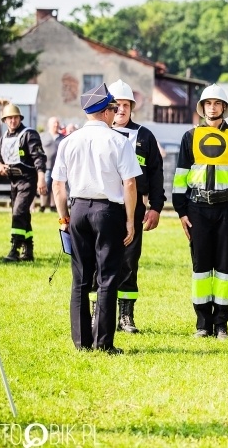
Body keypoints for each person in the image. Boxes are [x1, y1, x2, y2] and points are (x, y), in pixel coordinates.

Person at [52, 84, 141, 354]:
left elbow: (58, 185)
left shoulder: (68, 141)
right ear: (104, 112)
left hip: (78, 209)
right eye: (114, 108)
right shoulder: (118, 141)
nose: (116, 113)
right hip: (107, 211)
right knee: (107, 277)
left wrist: (63, 218)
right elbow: (129, 185)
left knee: (79, 278)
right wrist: (129, 220)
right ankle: (103, 342)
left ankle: (81, 342)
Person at [172, 84, 228, 340]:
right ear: (202, 107)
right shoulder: (190, 136)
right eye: (208, 104)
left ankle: (221, 323)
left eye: (217, 104)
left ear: (224, 108)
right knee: (200, 266)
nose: (212, 107)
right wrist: (181, 211)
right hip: (197, 208)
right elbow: (180, 176)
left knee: (225, 266)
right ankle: (202, 323)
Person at [108, 79, 166, 333]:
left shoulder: (144, 136)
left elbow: (156, 174)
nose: (121, 110)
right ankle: (100, 313)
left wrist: (156, 207)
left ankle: (126, 315)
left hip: (134, 207)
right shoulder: (100, 132)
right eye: (116, 105)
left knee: (129, 261)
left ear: (132, 107)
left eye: (125, 105)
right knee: (102, 260)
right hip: (104, 206)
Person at [0, 103, 47, 262]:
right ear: (4, 120)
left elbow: (39, 157)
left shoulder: (29, 134)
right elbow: (0, 157)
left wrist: (41, 178)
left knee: (18, 212)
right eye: (9, 118)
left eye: (15, 117)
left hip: (27, 180)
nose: (12, 120)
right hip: (13, 181)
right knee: (22, 214)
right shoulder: (4, 137)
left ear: (20, 118)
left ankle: (14, 249)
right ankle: (28, 249)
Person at [39, 117, 63, 212]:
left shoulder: (62, 138)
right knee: (45, 186)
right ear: (49, 125)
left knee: (56, 187)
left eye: (57, 123)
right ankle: (43, 206)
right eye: (54, 123)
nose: (56, 125)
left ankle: (53, 206)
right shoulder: (43, 136)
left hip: (58, 167)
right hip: (46, 166)